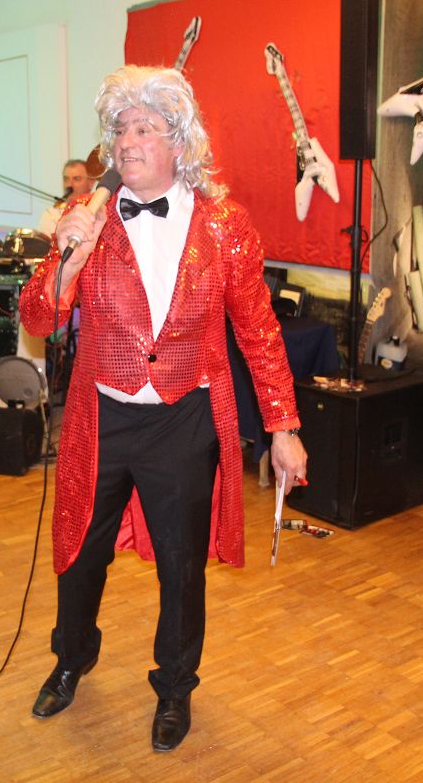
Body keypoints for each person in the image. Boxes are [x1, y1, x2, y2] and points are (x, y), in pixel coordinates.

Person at [19, 66, 308, 752]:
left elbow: (259, 329)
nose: (126, 141)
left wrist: (283, 426)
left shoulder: (225, 225)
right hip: (102, 416)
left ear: (179, 141)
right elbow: (38, 319)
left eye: (144, 128)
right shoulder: (84, 218)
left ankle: (175, 688)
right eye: (119, 129)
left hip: (184, 418)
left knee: (182, 566)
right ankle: (71, 657)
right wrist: (67, 258)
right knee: (80, 553)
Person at [35, 158, 93, 236]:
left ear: (91, 182)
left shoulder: (98, 211)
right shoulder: (50, 214)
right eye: (66, 179)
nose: (69, 185)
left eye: (76, 179)